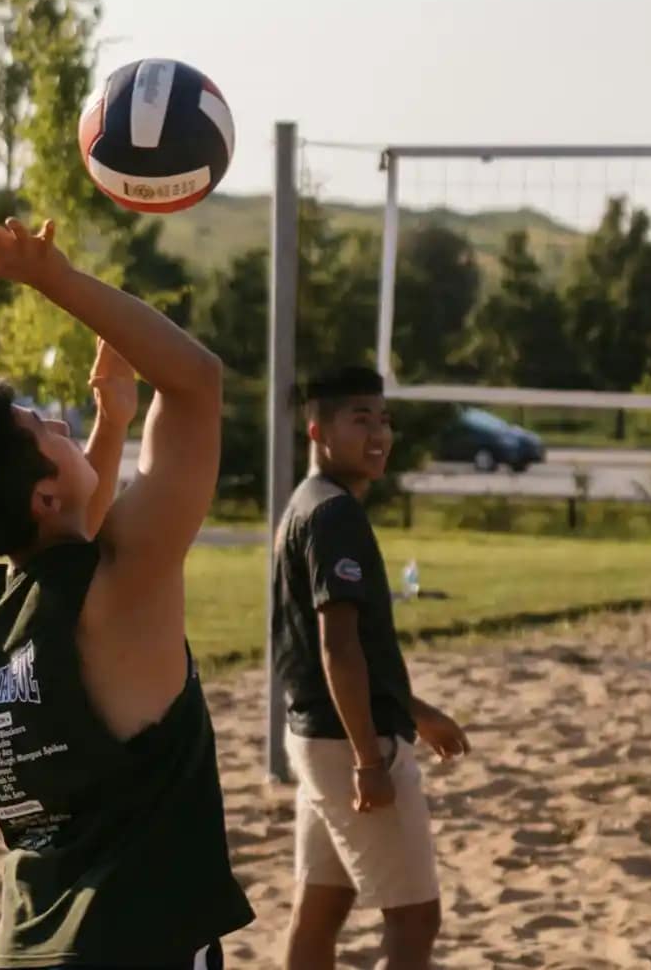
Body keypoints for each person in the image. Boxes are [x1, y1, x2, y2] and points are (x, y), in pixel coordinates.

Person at [0, 216, 254, 969]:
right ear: (42, 497)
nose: (58, 419)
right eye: (40, 425)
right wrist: (56, 280)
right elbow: (195, 383)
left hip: (28, 947)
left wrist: (112, 424)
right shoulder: (123, 587)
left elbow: (63, 536)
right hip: (135, 945)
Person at [274, 366, 470, 970]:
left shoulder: (306, 505)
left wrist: (416, 711)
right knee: (415, 917)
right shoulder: (333, 515)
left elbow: (339, 648)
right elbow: (337, 650)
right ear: (317, 430)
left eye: (384, 418)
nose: (379, 432)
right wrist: (368, 760)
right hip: (347, 743)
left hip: (314, 735)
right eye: (360, 418)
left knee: (321, 908)